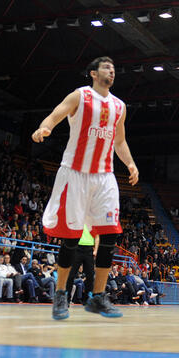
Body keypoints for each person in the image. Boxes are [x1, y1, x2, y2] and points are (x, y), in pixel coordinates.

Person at [34, 56, 139, 320]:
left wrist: (130, 163)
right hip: (75, 173)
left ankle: (98, 297)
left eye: (113, 69)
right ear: (93, 73)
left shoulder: (119, 106)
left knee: (110, 235)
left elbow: (120, 141)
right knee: (71, 238)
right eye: (106, 68)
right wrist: (45, 127)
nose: (111, 71)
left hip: (105, 176)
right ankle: (61, 294)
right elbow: (56, 114)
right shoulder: (80, 96)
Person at [65, 226, 97, 305]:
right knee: (71, 274)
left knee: (90, 275)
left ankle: (87, 298)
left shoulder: (93, 222)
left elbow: (97, 236)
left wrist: (96, 250)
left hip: (89, 249)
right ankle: (67, 298)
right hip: (77, 247)